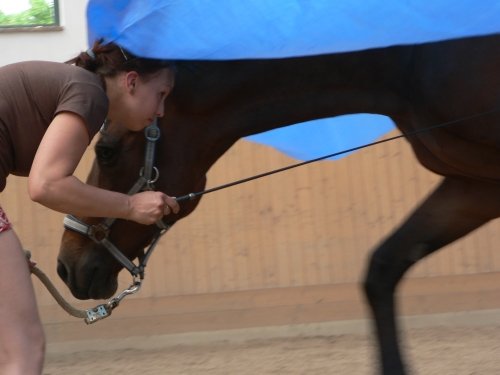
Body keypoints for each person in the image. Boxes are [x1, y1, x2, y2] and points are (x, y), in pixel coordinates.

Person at [0, 40, 180, 374]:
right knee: (23, 350)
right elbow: (46, 185)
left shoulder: (74, 88)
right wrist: (129, 205)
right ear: (131, 82)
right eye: (161, 95)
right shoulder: (90, 94)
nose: (161, 111)